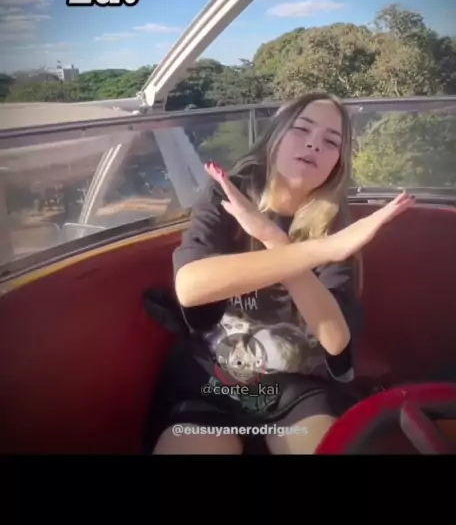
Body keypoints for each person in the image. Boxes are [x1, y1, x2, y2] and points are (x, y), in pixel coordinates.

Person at [152, 92, 415, 454]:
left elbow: (335, 339)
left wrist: (273, 238)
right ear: (275, 136)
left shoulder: (334, 223)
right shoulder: (228, 194)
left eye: (331, 141)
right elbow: (191, 286)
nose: (313, 143)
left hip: (297, 388)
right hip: (213, 380)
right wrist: (321, 250)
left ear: (337, 163)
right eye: (302, 129)